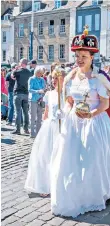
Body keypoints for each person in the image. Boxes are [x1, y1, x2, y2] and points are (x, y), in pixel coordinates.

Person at [49, 29, 110, 217]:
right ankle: (76, 192)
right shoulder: (70, 78)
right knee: (72, 159)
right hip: (74, 124)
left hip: (94, 123)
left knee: (93, 159)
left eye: (84, 56)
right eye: (77, 56)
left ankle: (95, 192)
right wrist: (64, 111)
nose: (80, 59)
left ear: (92, 57)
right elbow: (69, 101)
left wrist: (91, 114)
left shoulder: (98, 78)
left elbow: (106, 104)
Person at [25, 68, 65, 197]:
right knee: (46, 155)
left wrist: (64, 115)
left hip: (63, 127)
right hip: (50, 126)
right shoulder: (49, 94)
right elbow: (46, 113)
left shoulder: (67, 94)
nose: (53, 81)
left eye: (56, 78)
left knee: (60, 155)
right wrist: (44, 126)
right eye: (52, 78)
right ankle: (46, 184)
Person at [11, 58, 32, 135]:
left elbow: (12, 76)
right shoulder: (29, 72)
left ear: (22, 63)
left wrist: (15, 69)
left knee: (18, 112)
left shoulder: (18, 71)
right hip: (26, 94)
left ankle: (18, 129)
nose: (19, 63)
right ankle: (26, 129)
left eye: (19, 62)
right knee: (25, 112)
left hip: (18, 93)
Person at [28, 66, 46, 138]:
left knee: (39, 117)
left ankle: (38, 133)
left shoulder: (42, 79)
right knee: (33, 117)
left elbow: (44, 88)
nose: (40, 74)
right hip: (33, 100)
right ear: (36, 72)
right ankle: (32, 133)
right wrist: (37, 91)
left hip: (40, 100)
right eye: (38, 73)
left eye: (41, 73)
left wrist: (43, 92)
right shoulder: (31, 79)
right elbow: (29, 89)